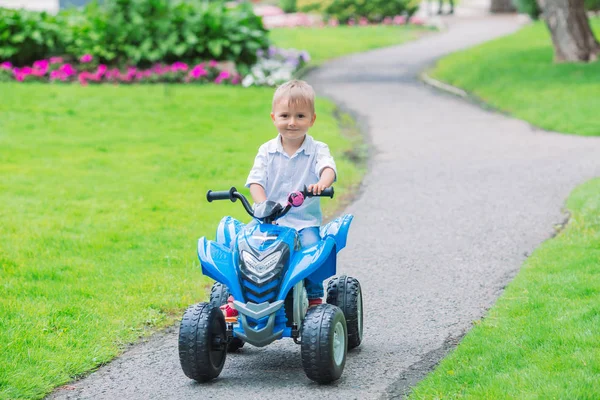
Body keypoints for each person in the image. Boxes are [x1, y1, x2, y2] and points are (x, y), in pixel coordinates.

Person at [220, 79, 337, 318]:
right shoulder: (266, 150)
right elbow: (256, 181)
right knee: (241, 246)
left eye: (300, 116)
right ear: (274, 118)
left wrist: (321, 184)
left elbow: (328, 169)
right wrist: (263, 205)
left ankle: (314, 296)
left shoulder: (318, 149)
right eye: (285, 116)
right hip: (268, 221)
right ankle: (236, 298)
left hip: (303, 223)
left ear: (312, 119)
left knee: (313, 249)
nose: (292, 122)